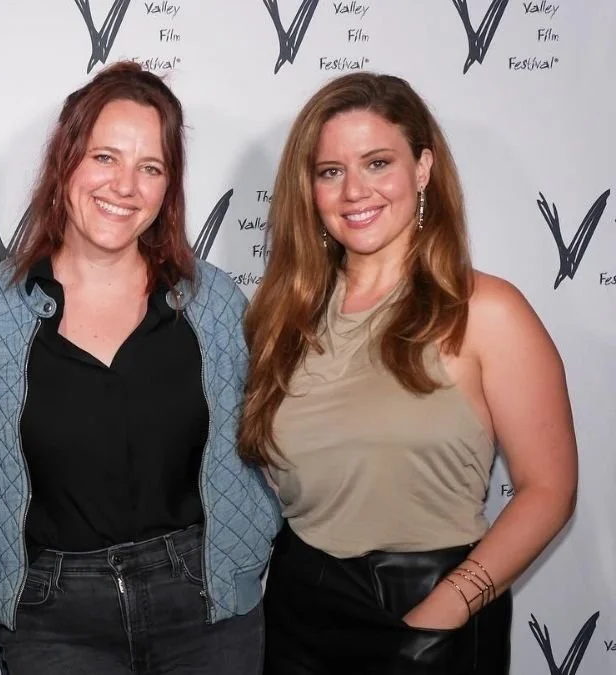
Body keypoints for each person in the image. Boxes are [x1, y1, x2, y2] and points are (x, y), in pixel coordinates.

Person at [242, 73, 578, 674]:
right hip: (299, 610)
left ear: (422, 169)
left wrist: (446, 610)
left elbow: (549, 491)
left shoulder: (486, 311)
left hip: (430, 606)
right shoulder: (282, 316)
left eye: (377, 163)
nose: (354, 191)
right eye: (330, 171)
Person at [0, 61, 282, 675]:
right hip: (49, 613)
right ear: (66, 162)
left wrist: (251, 547)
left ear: (168, 187)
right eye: (105, 157)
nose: (125, 185)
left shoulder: (211, 300)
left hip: (205, 601)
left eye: (150, 167)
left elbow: (259, 439)